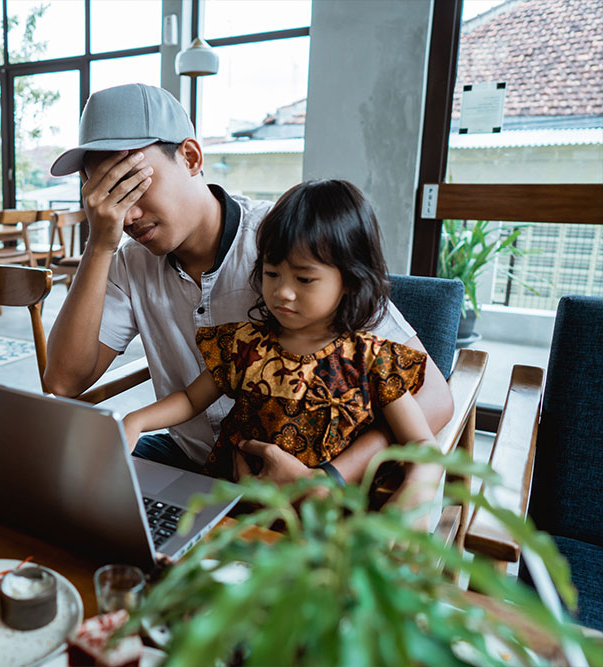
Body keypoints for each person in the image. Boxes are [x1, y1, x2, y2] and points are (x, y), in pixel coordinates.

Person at [43, 83, 453, 489]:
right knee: (65, 491)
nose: (127, 215)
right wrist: (99, 244)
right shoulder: (127, 261)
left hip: (307, 477)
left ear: (189, 157)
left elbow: (436, 399)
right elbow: (63, 382)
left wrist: (327, 478)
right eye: (107, 195)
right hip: (191, 460)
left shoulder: (288, 245)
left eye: (133, 185)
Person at [121, 179, 436, 489]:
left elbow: (421, 442)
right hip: (237, 498)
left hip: (325, 515)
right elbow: (191, 400)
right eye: (272, 274)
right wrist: (136, 421)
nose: (283, 292)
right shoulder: (245, 344)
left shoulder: (371, 360)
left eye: (304, 279)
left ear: (351, 281)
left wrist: (416, 493)